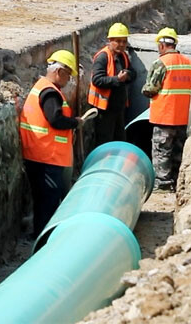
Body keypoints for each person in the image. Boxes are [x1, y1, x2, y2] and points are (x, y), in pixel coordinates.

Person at [19, 50, 84, 237]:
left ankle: (39, 234)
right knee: (48, 201)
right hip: (47, 156)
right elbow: (55, 120)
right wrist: (75, 122)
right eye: (68, 75)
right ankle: (44, 239)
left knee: (42, 200)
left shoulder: (40, 87)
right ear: (59, 72)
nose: (68, 80)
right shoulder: (50, 93)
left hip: (37, 154)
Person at [141, 28, 191, 191]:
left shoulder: (161, 63)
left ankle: (163, 184)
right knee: (178, 150)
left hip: (164, 115)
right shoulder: (188, 63)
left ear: (162, 45)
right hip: (182, 115)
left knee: (162, 150)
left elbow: (151, 88)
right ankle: (177, 181)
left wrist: (144, 90)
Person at [88, 22, 136, 144]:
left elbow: (133, 73)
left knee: (119, 140)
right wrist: (117, 79)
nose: (121, 45)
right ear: (110, 40)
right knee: (105, 141)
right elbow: (97, 79)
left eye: (124, 41)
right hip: (104, 110)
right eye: (118, 41)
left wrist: (128, 75)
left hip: (118, 108)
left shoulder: (123, 56)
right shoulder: (103, 57)